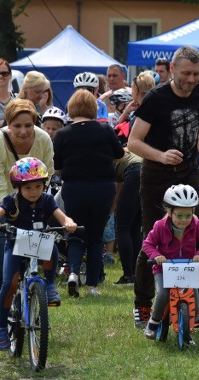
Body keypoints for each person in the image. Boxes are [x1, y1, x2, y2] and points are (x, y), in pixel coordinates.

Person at [127, 46, 199, 328]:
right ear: (173, 69)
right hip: (156, 174)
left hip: (189, 172)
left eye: (196, 73)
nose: (191, 79)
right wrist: (161, 155)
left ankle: (193, 303)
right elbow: (134, 141)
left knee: (198, 237)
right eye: (186, 73)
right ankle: (143, 304)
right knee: (151, 240)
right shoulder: (156, 98)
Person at [0, 157, 77, 350]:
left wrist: (68, 222)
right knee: (9, 284)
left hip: (39, 242)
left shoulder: (47, 200)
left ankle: (50, 285)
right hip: (16, 243)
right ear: (18, 187)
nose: (34, 191)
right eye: (28, 188)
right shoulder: (12, 201)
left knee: (51, 244)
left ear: (44, 186)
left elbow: (62, 216)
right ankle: (1, 328)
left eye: (38, 186)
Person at [0, 98, 55, 327]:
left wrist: (38, 199)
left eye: (28, 126)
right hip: (0, 198)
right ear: (8, 125)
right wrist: (11, 208)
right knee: (5, 260)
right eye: (17, 126)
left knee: (40, 247)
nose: (23, 131)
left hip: (33, 197)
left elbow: (48, 172)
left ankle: (40, 290)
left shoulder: (43, 139)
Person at [53, 89, 124, 297]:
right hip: (102, 188)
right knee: (95, 238)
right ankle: (92, 285)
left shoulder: (62, 134)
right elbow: (119, 155)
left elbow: (57, 167)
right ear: (94, 109)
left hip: (74, 188)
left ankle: (73, 273)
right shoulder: (105, 129)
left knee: (75, 233)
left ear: (71, 109)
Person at [142, 184, 199, 340]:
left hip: (186, 268)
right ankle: (153, 323)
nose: (184, 220)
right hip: (164, 268)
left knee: (194, 295)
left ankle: (189, 324)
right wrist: (156, 256)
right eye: (179, 216)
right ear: (169, 212)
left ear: (193, 212)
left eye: (188, 215)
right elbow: (147, 244)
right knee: (163, 294)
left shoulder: (197, 225)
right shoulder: (160, 226)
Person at [112, 73, 155, 286]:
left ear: (136, 91)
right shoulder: (155, 110)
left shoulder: (139, 114)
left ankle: (129, 274)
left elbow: (117, 139)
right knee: (136, 224)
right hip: (150, 169)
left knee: (122, 224)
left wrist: (126, 114)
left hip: (134, 168)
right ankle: (138, 273)